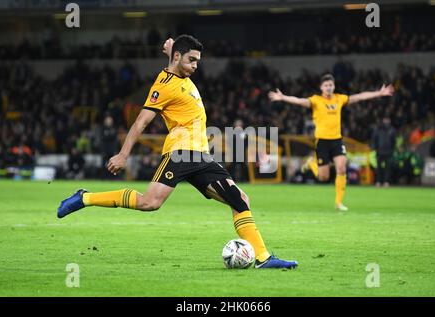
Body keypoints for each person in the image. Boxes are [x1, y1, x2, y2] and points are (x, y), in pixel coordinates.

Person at [57, 35, 297, 269]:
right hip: (179, 154)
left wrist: (173, 51)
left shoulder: (180, 71)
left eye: (197, 62)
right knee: (149, 203)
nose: (195, 66)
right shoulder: (164, 87)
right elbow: (141, 121)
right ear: (179, 57)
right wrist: (123, 154)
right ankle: (85, 198)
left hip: (201, 156)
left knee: (240, 198)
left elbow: (176, 61)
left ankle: (263, 257)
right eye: (191, 60)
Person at [268, 74, 394, 211]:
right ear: (321, 87)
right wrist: (283, 97)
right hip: (322, 142)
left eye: (331, 85)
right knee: (323, 177)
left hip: (336, 140)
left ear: (334, 86)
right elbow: (299, 101)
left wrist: (378, 93)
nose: (329, 87)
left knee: (341, 168)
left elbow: (358, 97)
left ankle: (338, 203)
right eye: (326, 85)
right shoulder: (316, 100)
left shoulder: (339, 99)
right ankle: (311, 164)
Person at [372, 117, 396, 187]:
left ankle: (386, 181)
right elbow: (374, 140)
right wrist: (375, 149)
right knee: (378, 168)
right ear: (383, 120)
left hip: (388, 152)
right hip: (379, 151)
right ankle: (378, 181)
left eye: (387, 119)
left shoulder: (392, 130)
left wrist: (392, 150)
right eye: (385, 119)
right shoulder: (378, 129)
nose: (386, 121)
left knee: (387, 168)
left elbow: (393, 141)